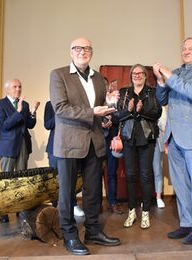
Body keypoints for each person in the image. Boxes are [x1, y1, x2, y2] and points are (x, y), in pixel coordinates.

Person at [49, 36, 121, 256]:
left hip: (94, 142)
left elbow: (99, 108)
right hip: (69, 144)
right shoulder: (58, 74)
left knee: (92, 193)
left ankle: (92, 231)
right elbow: (60, 108)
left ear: (91, 52)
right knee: (67, 194)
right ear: (71, 52)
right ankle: (70, 236)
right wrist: (93, 112)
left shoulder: (99, 78)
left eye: (87, 48)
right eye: (78, 48)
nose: (83, 51)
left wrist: (108, 106)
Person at [153, 36, 192, 245]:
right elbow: (162, 100)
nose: (186, 51)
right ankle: (187, 223)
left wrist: (169, 75)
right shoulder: (177, 73)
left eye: (191, 49)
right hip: (174, 137)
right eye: (184, 48)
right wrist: (161, 82)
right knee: (181, 184)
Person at [116, 64, 162, 229]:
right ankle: (131, 212)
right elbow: (118, 115)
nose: (137, 75)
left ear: (145, 75)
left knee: (145, 176)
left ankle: (145, 213)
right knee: (130, 176)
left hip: (147, 138)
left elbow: (157, 113)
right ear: (131, 76)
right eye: (134, 73)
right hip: (129, 138)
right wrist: (129, 110)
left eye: (140, 73)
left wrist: (141, 111)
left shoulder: (152, 92)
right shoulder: (124, 92)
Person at [0, 79, 40, 223]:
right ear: (7, 89)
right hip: (7, 147)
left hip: (23, 145)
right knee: (6, 180)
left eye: (20, 86)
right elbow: (4, 126)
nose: (18, 89)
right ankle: (4, 211)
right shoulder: (0, 104)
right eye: (15, 87)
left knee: (22, 180)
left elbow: (30, 125)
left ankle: (21, 210)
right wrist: (18, 111)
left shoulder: (25, 104)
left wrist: (33, 112)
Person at [44, 101, 85, 217]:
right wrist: (59, 114)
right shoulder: (49, 104)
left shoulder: (72, 104)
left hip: (70, 146)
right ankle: (55, 206)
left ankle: (73, 204)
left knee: (71, 178)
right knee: (54, 179)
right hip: (54, 147)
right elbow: (47, 125)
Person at [102, 78, 123, 214]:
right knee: (94, 174)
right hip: (97, 141)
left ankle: (112, 203)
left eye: (105, 85)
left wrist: (111, 119)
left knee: (112, 173)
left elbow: (120, 116)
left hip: (112, 141)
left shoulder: (116, 99)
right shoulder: (94, 101)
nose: (104, 87)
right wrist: (101, 123)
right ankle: (96, 203)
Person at [152, 105, 168, 209]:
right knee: (145, 171)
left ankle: (158, 197)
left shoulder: (160, 106)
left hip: (157, 139)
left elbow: (164, 124)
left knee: (158, 169)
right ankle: (146, 197)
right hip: (143, 140)